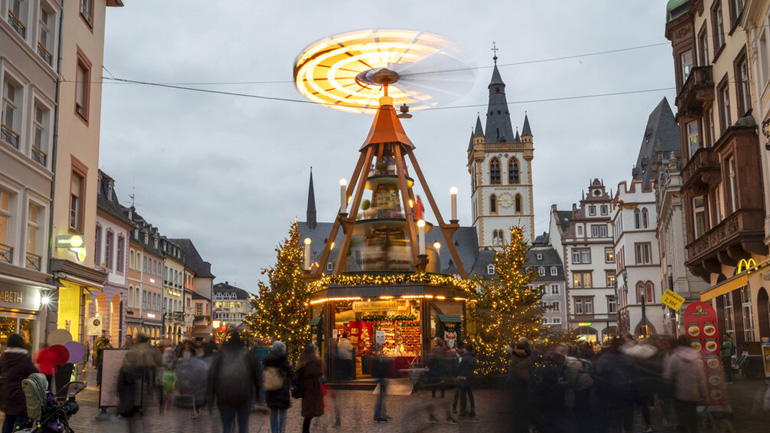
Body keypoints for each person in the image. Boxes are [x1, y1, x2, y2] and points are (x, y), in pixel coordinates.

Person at [207, 332, 261, 433]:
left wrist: (211, 397)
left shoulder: (221, 354)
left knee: (227, 427)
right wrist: (257, 396)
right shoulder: (248, 355)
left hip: (224, 396)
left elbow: (212, 376)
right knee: (243, 427)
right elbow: (257, 376)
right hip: (244, 395)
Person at [118, 333, 162, 432]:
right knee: (145, 416)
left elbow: (124, 372)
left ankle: (132, 430)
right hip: (146, 388)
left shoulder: (131, 352)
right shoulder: (152, 352)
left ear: (137, 340)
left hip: (132, 387)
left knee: (131, 416)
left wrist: (120, 391)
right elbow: (158, 371)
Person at [664, 335, 707, 433]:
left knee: (682, 420)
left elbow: (668, 376)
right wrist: (705, 396)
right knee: (693, 419)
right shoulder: (696, 357)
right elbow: (701, 379)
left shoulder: (675, 357)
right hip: (693, 394)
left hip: (679, 394)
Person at [0, 334, 39, 433]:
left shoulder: (3, 358)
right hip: (21, 397)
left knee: (8, 420)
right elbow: (35, 374)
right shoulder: (24, 359)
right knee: (21, 423)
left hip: (7, 396)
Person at [263, 341, 293, 433]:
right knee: (282, 411)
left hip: (271, 388)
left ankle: (274, 431)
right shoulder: (283, 359)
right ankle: (281, 431)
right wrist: (290, 366)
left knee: (273, 411)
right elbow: (290, 373)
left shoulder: (268, 359)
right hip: (282, 388)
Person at [176, 341, 208, 418]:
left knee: (198, 394)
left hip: (196, 375)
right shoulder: (182, 353)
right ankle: (196, 409)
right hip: (191, 375)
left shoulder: (197, 358)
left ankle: (198, 409)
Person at [297, 343, 324, 433]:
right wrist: (319, 361)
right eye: (317, 351)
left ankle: (305, 430)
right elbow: (318, 371)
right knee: (309, 414)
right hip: (311, 390)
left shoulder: (307, 363)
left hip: (311, 390)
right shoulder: (310, 364)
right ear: (313, 353)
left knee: (309, 415)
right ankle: (305, 431)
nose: (318, 353)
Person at [456, 343, 478, 419]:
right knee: (470, 393)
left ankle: (463, 409)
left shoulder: (463, 358)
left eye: (464, 348)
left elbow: (459, 367)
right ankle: (472, 409)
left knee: (463, 394)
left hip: (463, 378)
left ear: (466, 349)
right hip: (470, 377)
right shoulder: (473, 358)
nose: (463, 350)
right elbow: (475, 367)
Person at [371, 343, 389, 423]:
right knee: (381, 397)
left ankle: (382, 414)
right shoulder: (376, 358)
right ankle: (378, 415)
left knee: (382, 396)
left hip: (382, 377)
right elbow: (378, 368)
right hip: (382, 377)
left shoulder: (376, 358)